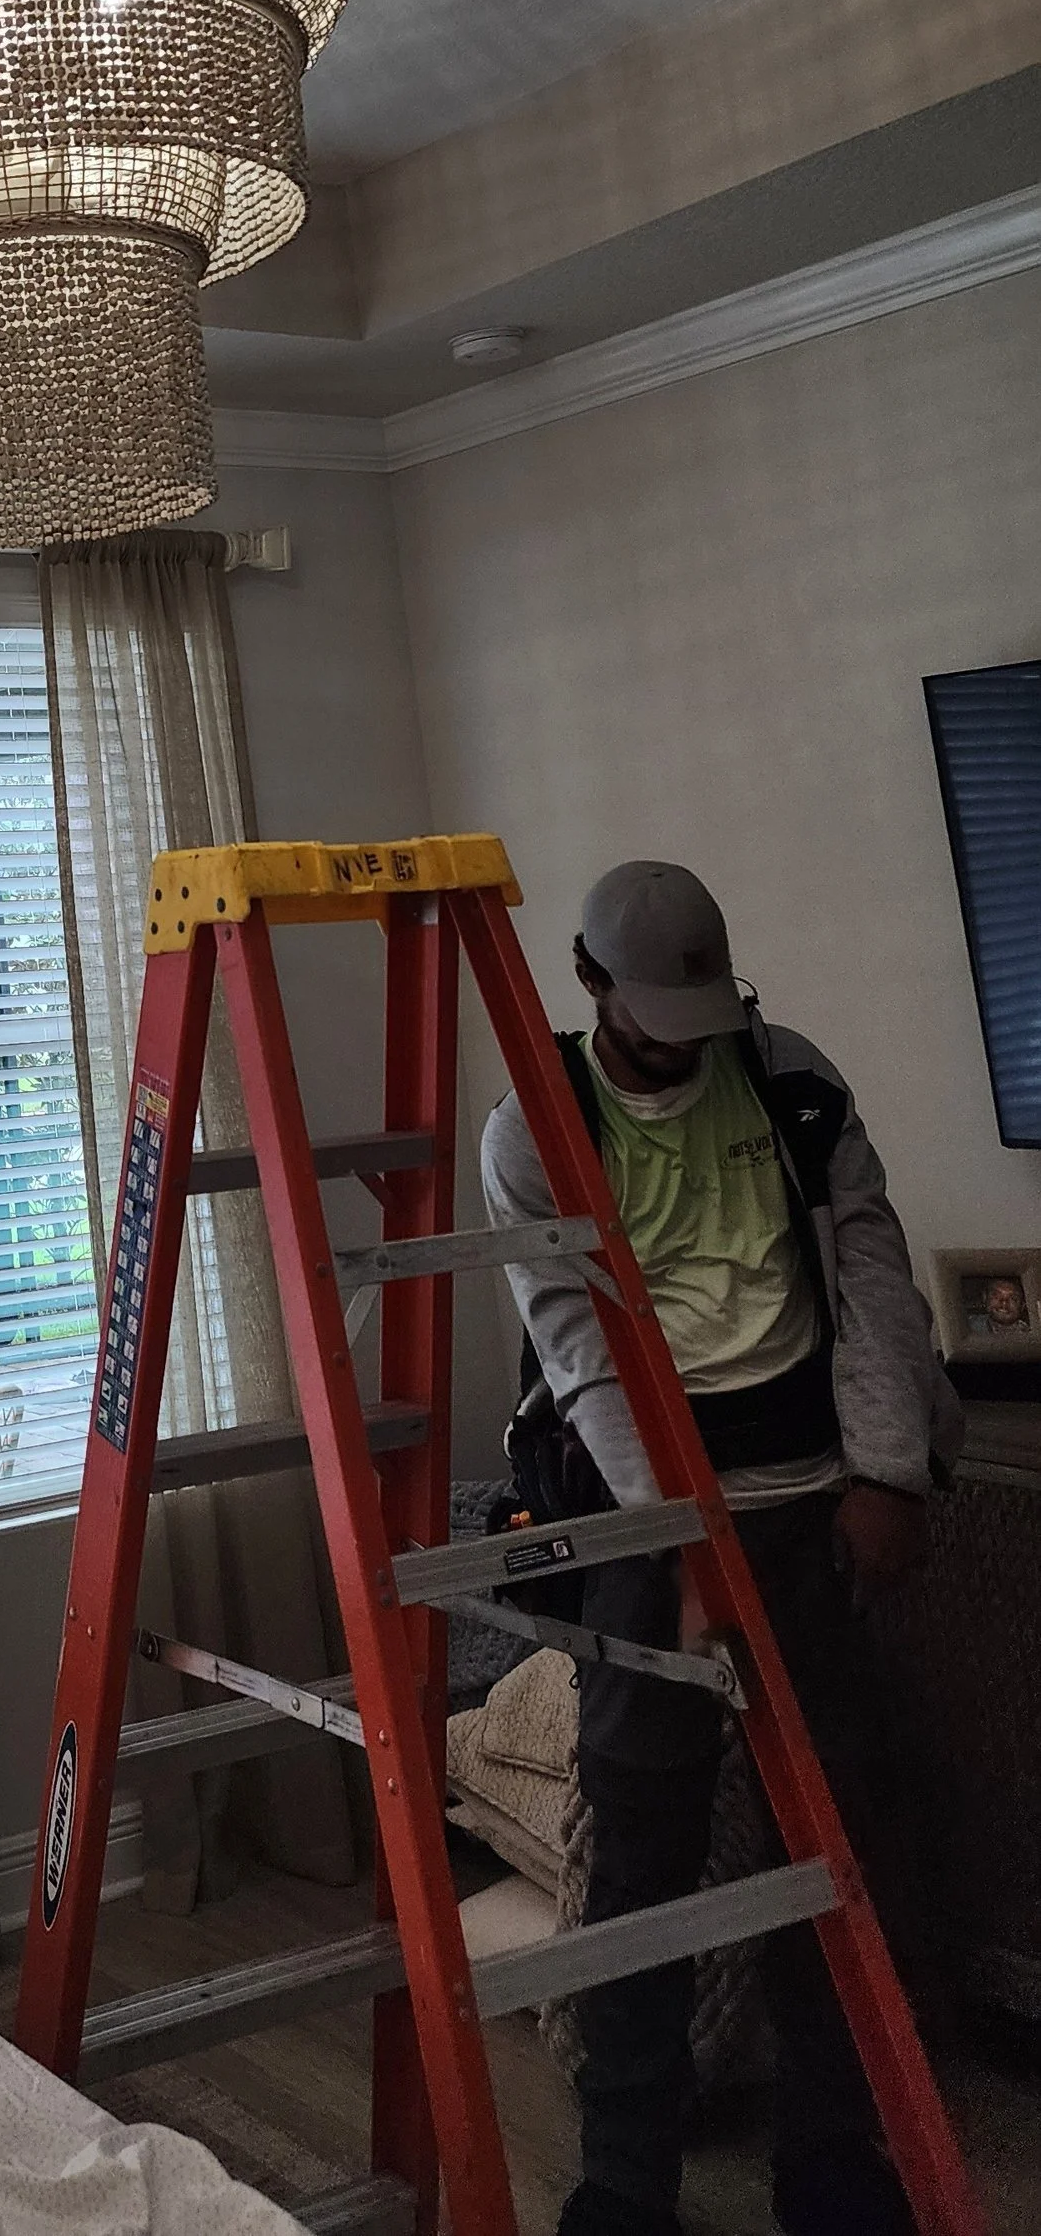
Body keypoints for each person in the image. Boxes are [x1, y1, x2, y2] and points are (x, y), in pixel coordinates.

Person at [480, 859, 961, 2236]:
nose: (686, 1044)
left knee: (840, 1836)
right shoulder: (535, 1126)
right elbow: (576, 1352)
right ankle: (625, 2181)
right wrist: (675, 1536)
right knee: (642, 1846)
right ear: (589, 986)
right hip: (655, 1514)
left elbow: (870, 1276)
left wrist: (887, 1475)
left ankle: (834, 2154)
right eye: (655, 1019)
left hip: (816, 1504)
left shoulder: (794, 1082)